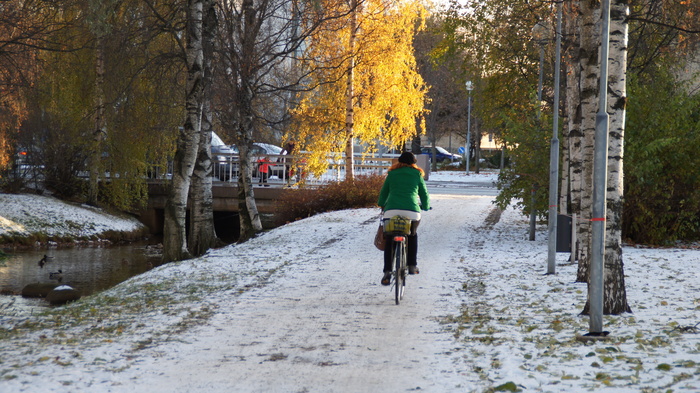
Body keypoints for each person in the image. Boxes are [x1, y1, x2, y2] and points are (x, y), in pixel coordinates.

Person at [377, 151, 430, 286]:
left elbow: (384, 193)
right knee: (412, 234)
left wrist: (382, 205)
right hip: (412, 211)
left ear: (399, 161)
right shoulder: (417, 174)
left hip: (392, 210)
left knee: (389, 239)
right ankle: (412, 265)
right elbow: (424, 194)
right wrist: (425, 206)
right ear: (413, 163)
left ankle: (387, 272)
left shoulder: (392, 174)